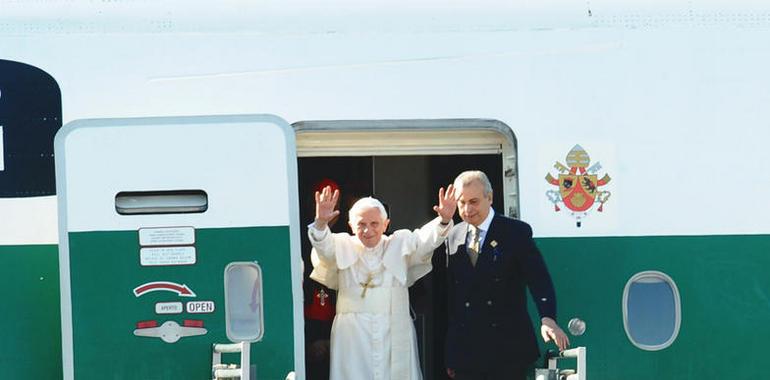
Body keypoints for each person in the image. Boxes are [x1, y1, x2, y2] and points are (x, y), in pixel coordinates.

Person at [308, 185, 456, 380]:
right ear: (351, 226)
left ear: (386, 224)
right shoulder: (341, 245)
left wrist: (444, 220)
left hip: (393, 329)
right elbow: (323, 248)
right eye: (361, 224)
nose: (368, 230)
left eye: (375, 223)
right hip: (353, 335)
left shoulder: (400, 243)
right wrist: (320, 224)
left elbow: (424, 241)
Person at [444, 170, 569, 380]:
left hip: (506, 349)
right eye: (461, 202)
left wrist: (548, 319)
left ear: (490, 197)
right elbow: (453, 300)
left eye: (474, 201)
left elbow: (539, 279)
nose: (467, 209)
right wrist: (451, 352)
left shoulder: (515, 232)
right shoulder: (453, 235)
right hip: (467, 353)